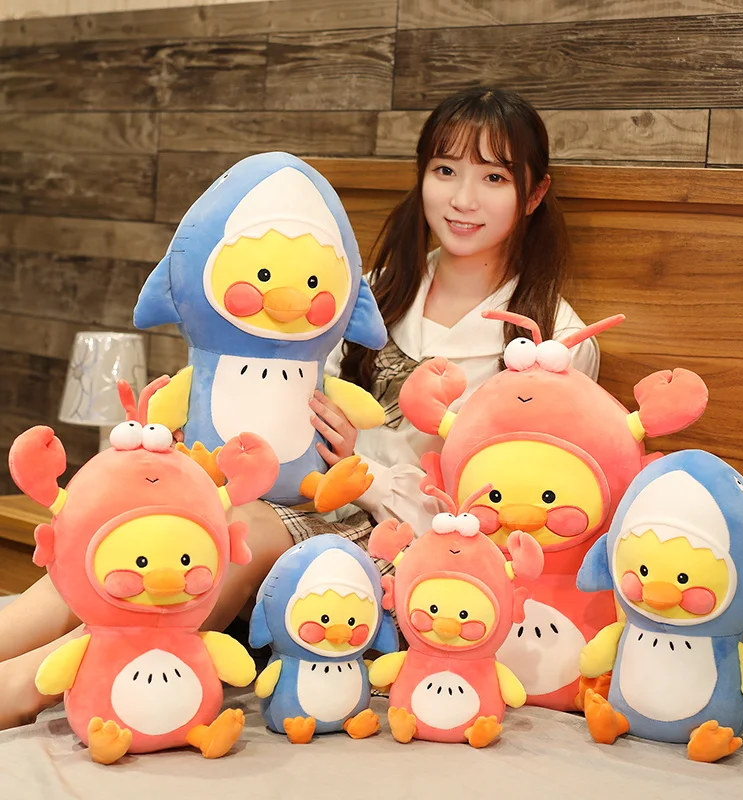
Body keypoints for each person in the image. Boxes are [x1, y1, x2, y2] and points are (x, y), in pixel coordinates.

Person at [0, 87, 597, 729]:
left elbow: (507, 510)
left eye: (494, 177)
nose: (463, 198)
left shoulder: (553, 345)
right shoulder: (366, 292)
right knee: (160, 516)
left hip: (414, 550)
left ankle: (33, 684)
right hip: (302, 496)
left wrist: (361, 470)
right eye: (445, 170)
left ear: (534, 193)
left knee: (230, 530)